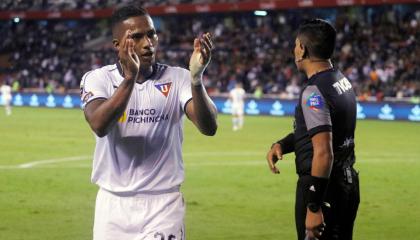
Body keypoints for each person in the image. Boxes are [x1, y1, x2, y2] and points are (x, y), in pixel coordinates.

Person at [80, 5, 217, 240]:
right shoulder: (98, 79)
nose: (148, 43)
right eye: (136, 36)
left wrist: (196, 78)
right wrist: (130, 78)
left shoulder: (178, 78)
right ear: (117, 45)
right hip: (112, 205)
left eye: (151, 33)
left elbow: (209, 127)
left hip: (163, 203)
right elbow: (99, 125)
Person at [266, 19, 359, 240]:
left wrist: (314, 207)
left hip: (323, 187)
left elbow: (324, 152)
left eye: (296, 44)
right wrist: (283, 144)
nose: (293, 49)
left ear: (303, 50)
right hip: (347, 183)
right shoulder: (341, 80)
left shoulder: (313, 91)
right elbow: (324, 130)